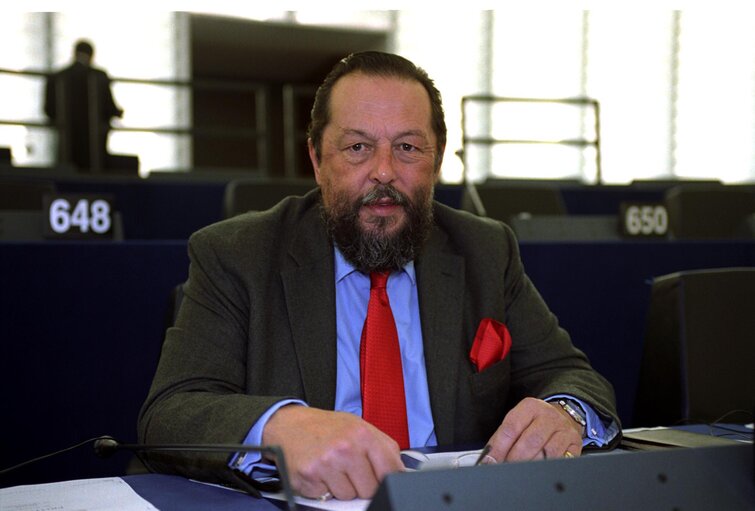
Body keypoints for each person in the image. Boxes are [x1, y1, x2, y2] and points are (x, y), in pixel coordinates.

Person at [138, 51, 620, 501]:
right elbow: (170, 412)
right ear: (316, 159)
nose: (384, 171)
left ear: (437, 159)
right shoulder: (237, 253)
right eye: (357, 147)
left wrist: (565, 412)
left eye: (408, 147)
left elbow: (572, 374)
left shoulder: (486, 250)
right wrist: (279, 428)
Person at [44, 39, 123, 172]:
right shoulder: (100, 77)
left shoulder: (57, 77)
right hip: (94, 148)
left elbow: (49, 110)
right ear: (92, 55)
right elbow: (110, 108)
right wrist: (118, 113)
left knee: (67, 174)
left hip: (67, 144)